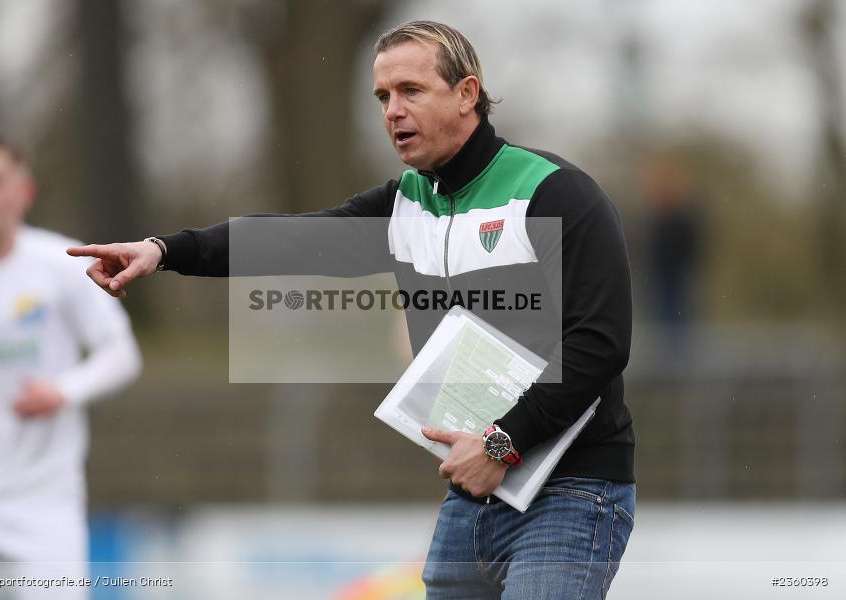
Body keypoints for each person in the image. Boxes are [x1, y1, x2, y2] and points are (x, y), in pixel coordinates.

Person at [69, 21, 635, 599]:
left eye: (411, 90)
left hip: (572, 488)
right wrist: (164, 251)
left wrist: (502, 442)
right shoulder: (404, 204)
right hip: (476, 491)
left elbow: (600, 343)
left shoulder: (555, 192)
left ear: (467, 94)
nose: (393, 111)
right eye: (383, 96)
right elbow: (287, 242)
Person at [0, 125, 141, 599]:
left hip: (43, 494)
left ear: (24, 192)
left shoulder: (61, 262)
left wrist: (63, 391)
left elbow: (122, 354)